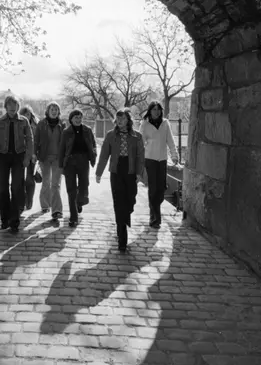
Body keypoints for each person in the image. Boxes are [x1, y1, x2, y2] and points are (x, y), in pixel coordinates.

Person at [95, 108, 145, 252]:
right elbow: (104, 155)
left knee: (130, 200)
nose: (120, 121)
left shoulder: (137, 136)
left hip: (130, 171)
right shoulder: (111, 135)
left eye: (123, 118)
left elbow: (140, 156)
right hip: (116, 171)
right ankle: (122, 237)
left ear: (128, 120)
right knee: (118, 203)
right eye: (118, 118)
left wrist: (139, 173)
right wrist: (98, 173)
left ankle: (125, 216)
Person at [0, 95, 34, 233]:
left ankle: (14, 221)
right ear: (6, 107)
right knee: (3, 189)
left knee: (16, 188)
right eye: (10, 106)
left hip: (18, 157)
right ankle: (4, 219)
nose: (12, 108)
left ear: (18, 107)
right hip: (4, 156)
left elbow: (30, 139)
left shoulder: (24, 121)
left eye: (15, 106)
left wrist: (27, 157)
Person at [139, 101, 179, 229]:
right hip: (149, 159)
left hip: (162, 160)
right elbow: (140, 143)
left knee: (161, 189)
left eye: (158, 109)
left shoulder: (165, 123)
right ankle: (155, 219)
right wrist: (139, 160)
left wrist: (174, 155)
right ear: (150, 111)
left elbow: (170, 141)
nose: (156, 112)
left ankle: (155, 213)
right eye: (154, 109)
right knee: (153, 188)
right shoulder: (145, 124)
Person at [59, 109, 97, 227]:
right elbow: (62, 149)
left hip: (83, 161)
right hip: (70, 162)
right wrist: (61, 165)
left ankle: (79, 202)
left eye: (80, 117)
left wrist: (94, 155)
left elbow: (93, 144)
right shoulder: (66, 132)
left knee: (84, 185)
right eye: (76, 117)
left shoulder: (87, 130)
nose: (78, 119)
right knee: (71, 190)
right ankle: (73, 217)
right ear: (71, 119)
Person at [33, 102, 66, 221]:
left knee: (55, 184)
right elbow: (36, 140)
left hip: (58, 158)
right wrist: (34, 153)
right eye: (52, 109)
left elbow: (66, 141)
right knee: (46, 182)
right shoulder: (41, 124)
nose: (54, 111)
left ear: (59, 112)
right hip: (44, 157)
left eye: (56, 109)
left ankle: (57, 210)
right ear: (48, 111)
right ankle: (45, 205)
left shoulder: (62, 124)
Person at [19, 105, 39, 211]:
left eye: (28, 114)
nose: (26, 116)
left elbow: (38, 141)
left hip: (32, 154)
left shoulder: (36, 125)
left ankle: (29, 200)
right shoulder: (18, 124)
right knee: (19, 179)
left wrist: (35, 154)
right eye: (24, 114)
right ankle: (22, 200)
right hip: (20, 154)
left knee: (30, 179)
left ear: (31, 115)